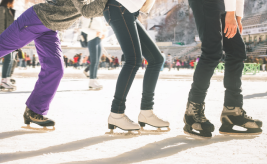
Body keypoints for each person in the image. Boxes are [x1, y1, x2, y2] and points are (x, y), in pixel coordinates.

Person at [0, 0, 108, 129]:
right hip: (37, 19)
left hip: (50, 26)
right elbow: (87, 10)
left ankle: (34, 111)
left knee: (55, 68)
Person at [183, 0, 262, 138]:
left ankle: (232, 111)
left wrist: (237, 15)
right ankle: (192, 110)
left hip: (224, 3)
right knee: (212, 52)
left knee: (236, 51)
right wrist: (231, 13)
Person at [103, 0, 169, 134]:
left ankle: (146, 112)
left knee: (156, 59)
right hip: (119, 6)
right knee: (133, 60)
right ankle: (116, 113)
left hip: (129, 11)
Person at [81, 16, 107, 89]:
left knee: (96, 61)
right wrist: (96, 32)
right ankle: (92, 81)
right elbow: (84, 28)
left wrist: (104, 34)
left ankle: (94, 80)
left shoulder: (100, 18)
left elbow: (104, 29)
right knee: (94, 61)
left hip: (99, 39)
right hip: (92, 39)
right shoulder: (90, 16)